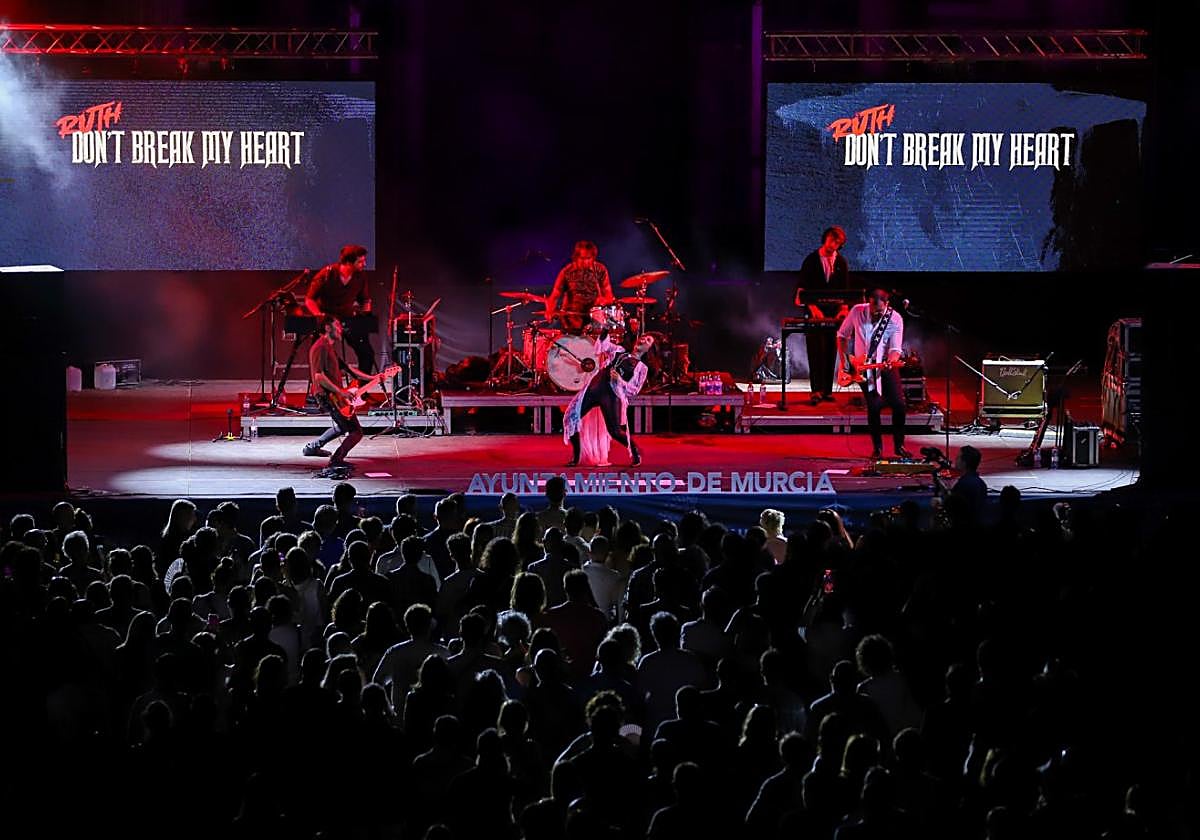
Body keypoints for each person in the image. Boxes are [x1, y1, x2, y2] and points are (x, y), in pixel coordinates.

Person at [836, 287, 910, 460]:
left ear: (887, 304)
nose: (875, 313)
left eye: (879, 311)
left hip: (884, 365)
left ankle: (899, 446)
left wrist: (891, 361)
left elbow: (895, 349)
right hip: (862, 368)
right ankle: (877, 448)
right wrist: (845, 362)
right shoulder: (857, 311)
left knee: (899, 405)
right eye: (872, 309)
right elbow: (841, 336)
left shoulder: (895, 319)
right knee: (874, 406)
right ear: (867, 302)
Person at [563, 333, 654, 468]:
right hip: (595, 388)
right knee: (570, 417)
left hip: (611, 395)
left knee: (615, 432)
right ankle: (577, 456)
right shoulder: (619, 351)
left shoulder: (641, 368)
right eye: (643, 337)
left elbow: (634, 390)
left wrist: (619, 380)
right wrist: (605, 331)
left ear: (649, 349)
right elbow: (603, 346)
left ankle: (634, 451)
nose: (643, 339)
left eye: (648, 340)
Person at [302, 316, 372, 472]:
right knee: (355, 431)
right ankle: (336, 459)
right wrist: (342, 392)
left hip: (335, 395)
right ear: (327, 328)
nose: (341, 329)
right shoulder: (320, 347)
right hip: (328, 396)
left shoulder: (329, 347)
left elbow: (349, 369)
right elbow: (319, 377)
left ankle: (312, 448)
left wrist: (374, 378)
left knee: (342, 427)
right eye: (338, 325)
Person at [794, 226, 851, 405]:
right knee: (815, 350)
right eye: (832, 240)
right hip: (814, 313)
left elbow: (845, 290)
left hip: (833, 314)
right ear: (825, 238)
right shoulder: (811, 260)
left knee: (830, 350)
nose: (833, 245)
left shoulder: (841, 262)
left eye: (837, 243)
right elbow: (803, 288)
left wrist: (843, 309)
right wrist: (813, 308)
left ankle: (827, 390)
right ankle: (816, 390)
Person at [305, 243, 375, 372]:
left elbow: (364, 300)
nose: (364, 265)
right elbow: (309, 300)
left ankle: (360, 389)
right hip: (327, 321)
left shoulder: (361, 277)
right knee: (321, 354)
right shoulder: (327, 274)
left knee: (367, 354)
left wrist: (365, 318)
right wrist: (319, 316)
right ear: (348, 262)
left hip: (347, 318)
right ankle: (327, 386)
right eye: (360, 262)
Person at [545, 240, 615, 334]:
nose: (584, 262)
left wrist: (603, 300)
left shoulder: (600, 270)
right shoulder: (567, 272)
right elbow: (554, 295)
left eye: (588, 258)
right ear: (576, 257)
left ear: (593, 257)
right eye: (581, 258)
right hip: (572, 318)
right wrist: (549, 311)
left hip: (594, 318)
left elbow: (609, 296)